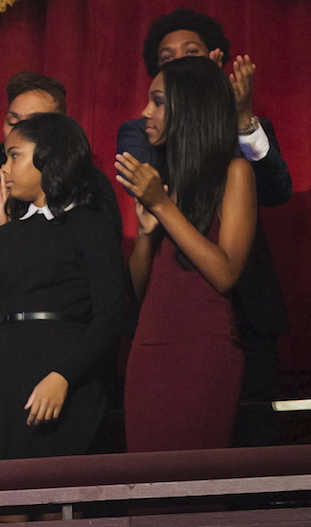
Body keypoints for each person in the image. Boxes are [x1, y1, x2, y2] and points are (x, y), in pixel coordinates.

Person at [116, 7, 291, 447]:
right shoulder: (153, 155)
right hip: (150, 347)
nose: (145, 110)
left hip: (213, 341)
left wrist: (235, 112)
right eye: (165, 58)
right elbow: (136, 289)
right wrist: (144, 232)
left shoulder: (235, 168)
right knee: (148, 490)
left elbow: (229, 265)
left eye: (157, 101)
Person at [0, 113, 124, 462]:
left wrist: (63, 377)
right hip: (4, 380)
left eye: (15, 155)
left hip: (66, 381)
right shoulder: (4, 237)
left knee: (52, 502)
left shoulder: (91, 228)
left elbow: (110, 315)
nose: (4, 167)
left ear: (49, 156)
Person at [0, 72, 121, 355]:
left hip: (70, 345)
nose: (19, 131)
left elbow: (107, 281)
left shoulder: (89, 187)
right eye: (13, 121)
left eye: (34, 123)